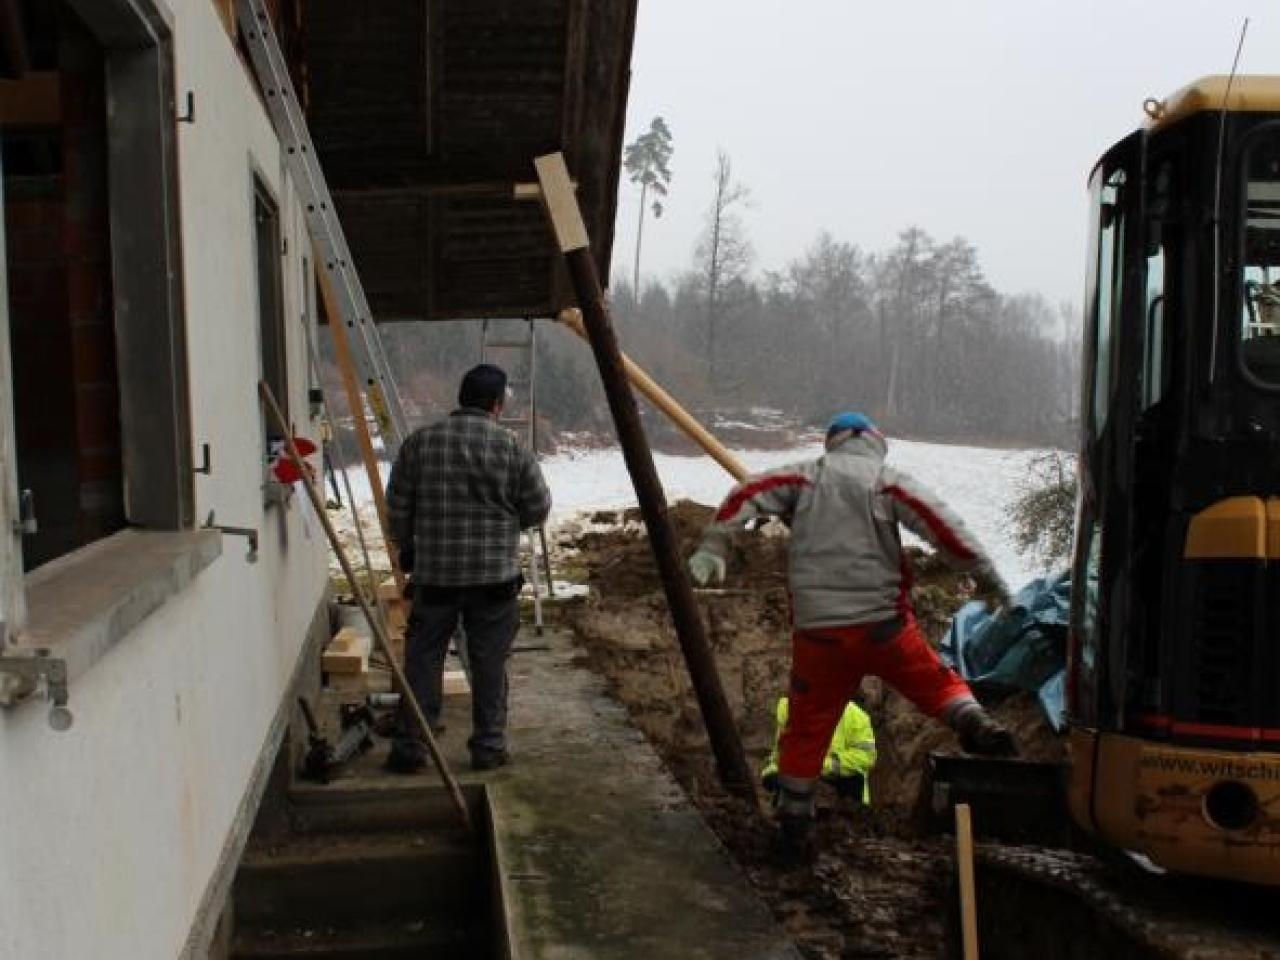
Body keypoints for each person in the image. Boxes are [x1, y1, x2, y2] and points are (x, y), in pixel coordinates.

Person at [687, 411, 1017, 861]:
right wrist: (988, 579)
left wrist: (713, 547)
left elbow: (744, 494)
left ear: (832, 443)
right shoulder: (887, 482)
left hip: (820, 636)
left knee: (806, 727)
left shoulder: (803, 478)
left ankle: (794, 827)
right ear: (876, 443)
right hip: (885, 627)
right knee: (934, 681)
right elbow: (945, 527)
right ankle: (972, 721)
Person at [385, 364, 551, 772]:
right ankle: (488, 747)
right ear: (497, 404)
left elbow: (398, 507)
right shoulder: (512, 448)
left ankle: (411, 748)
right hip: (494, 581)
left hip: (435, 577)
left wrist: (407, 546)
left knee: (423, 660)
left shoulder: (420, 444)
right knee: (489, 663)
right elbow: (538, 508)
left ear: (461, 398)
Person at [761, 697, 876, 807]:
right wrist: (772, 773)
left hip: (845, 800)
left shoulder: (855, 716)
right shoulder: (789, 709)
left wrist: (820, 766)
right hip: (799, 799)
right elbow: (780, 755)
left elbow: (866, 757)